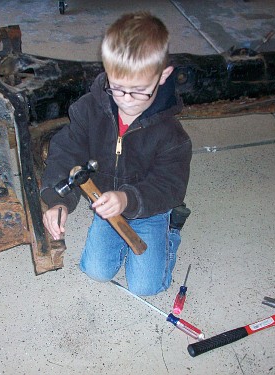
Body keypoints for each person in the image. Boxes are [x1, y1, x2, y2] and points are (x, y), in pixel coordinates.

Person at [40, 11, 192, 296]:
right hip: (105, 205)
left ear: (163, 76)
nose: (126, 101)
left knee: (146, 287)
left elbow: (170, 185)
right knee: (96, 271)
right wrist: (57, 201)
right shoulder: (89, 108)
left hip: (149, 208)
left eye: (138, 91)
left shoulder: (172, 135)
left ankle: (171, 231)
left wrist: (127, 199)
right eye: (118, 88)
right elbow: (66, 149)